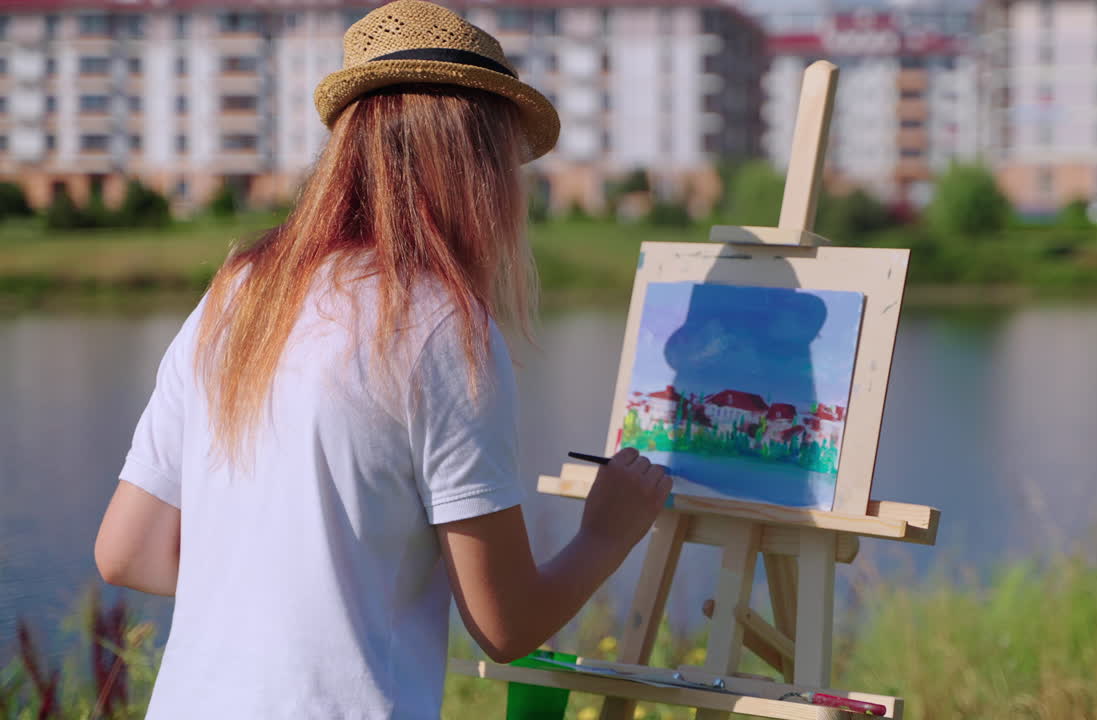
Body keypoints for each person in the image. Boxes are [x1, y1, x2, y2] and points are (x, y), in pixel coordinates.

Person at [93, 2, 671, 717]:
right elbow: (506, 625)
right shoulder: (442, 327)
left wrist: (286, 573)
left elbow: (126, 550)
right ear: (477, 166)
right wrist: (607, 533)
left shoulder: (237, 294)